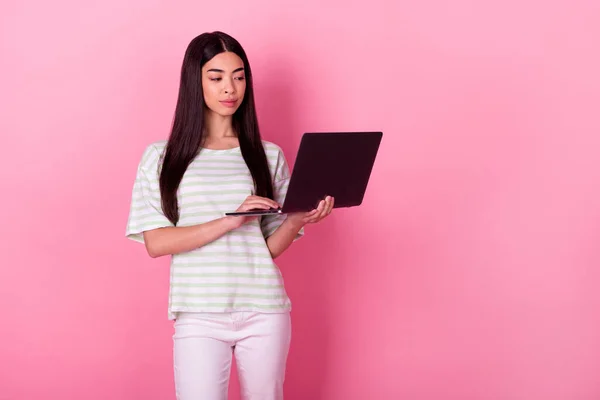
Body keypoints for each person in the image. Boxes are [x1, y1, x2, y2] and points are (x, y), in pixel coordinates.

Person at [125, 31, 334, 400]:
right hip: (199, 313)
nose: (230, 88)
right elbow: (156, 243)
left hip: (264, 309)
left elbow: (265, 250)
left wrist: (298, 218)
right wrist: (228, 220)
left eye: (239, 76)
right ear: (196, 81)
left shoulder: (268, 156)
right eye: (216, 77)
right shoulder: (162, 157)